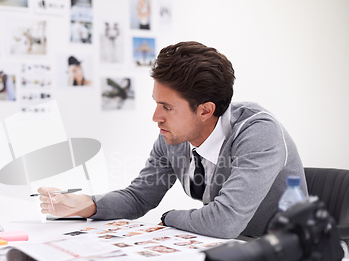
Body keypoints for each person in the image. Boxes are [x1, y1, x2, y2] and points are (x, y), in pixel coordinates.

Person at [38, 41, 307, 239]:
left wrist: (168, 217)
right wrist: (87, 203)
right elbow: (138, 197)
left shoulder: (258, 132)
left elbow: (224, 222)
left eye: (167, 107)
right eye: (156, 103)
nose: (156, 117)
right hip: (230, 249)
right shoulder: (174, 138)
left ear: (205, 110)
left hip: (288, 260)